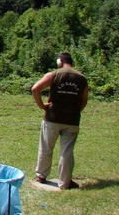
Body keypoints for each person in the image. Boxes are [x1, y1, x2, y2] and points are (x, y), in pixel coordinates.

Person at [31, 52, 88, 190]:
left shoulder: (54, 74)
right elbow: (84, 100)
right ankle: (65, 183)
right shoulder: (82, 78)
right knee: (67, 152)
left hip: (52, 118)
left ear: (59, 61)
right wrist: (75, 110)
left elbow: (35, 89)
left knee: (46, 147)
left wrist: (41, 105)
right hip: (72, 120)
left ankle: (41, 176)